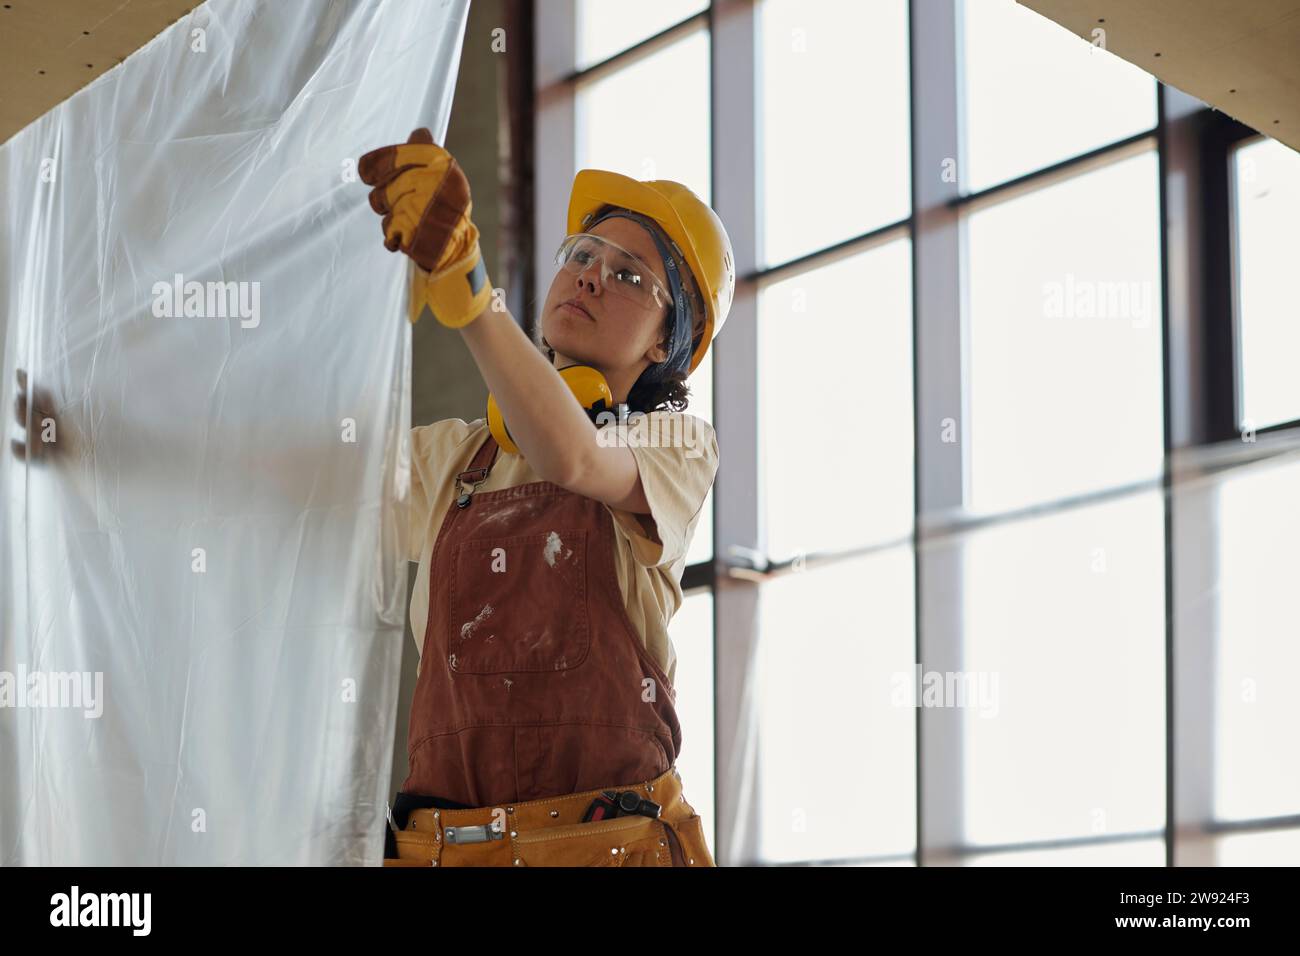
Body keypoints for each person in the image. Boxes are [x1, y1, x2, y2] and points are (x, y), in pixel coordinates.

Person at [358, 128, 734, 866]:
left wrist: (467, 288)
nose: (592, 276)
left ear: (667, 343)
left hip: (607, 850)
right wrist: (366, 315)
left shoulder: (677, 448)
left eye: (631, 277)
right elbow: (295, 485)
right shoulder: (457, 461)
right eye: (583, 257)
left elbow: (575, 455)